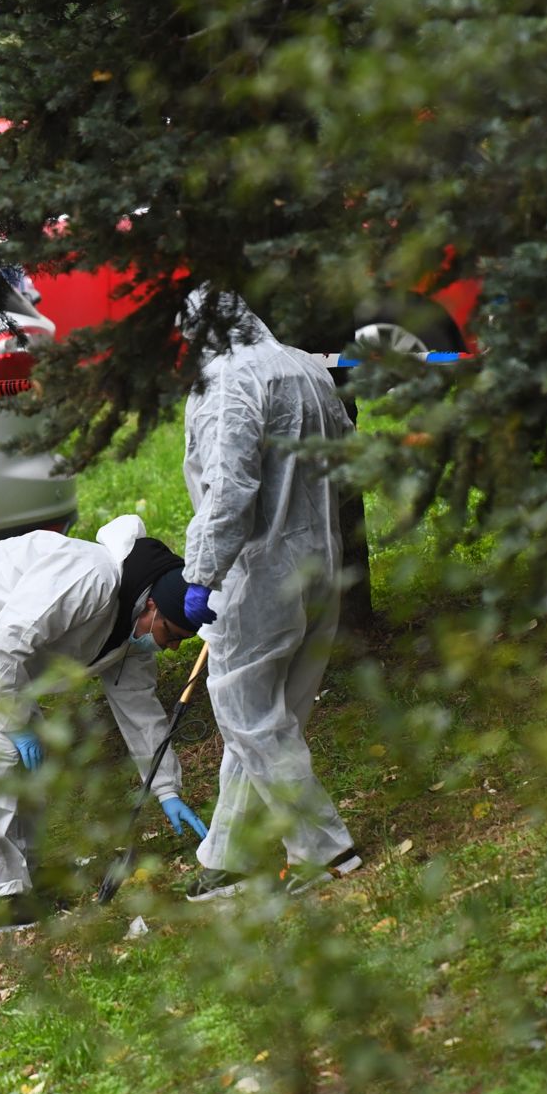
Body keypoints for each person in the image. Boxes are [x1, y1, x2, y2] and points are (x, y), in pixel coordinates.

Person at [0, 515, 215, 927]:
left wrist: (167, 788)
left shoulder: (131, 629)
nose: (169, 647)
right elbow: (11, 636)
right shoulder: (92, 577)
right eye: (170, 634)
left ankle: (20, 878)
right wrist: (14, 723)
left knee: (28, 758)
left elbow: (141, 709)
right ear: (151, 604)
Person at [178, 290, 362, 900]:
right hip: (321, 561)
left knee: (249, 717)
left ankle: (325, 849)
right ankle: (229, 854)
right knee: (267, 722)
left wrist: (201, 576)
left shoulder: (227, 383)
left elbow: (228, 489)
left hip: (258, 573)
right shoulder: (307, 366)